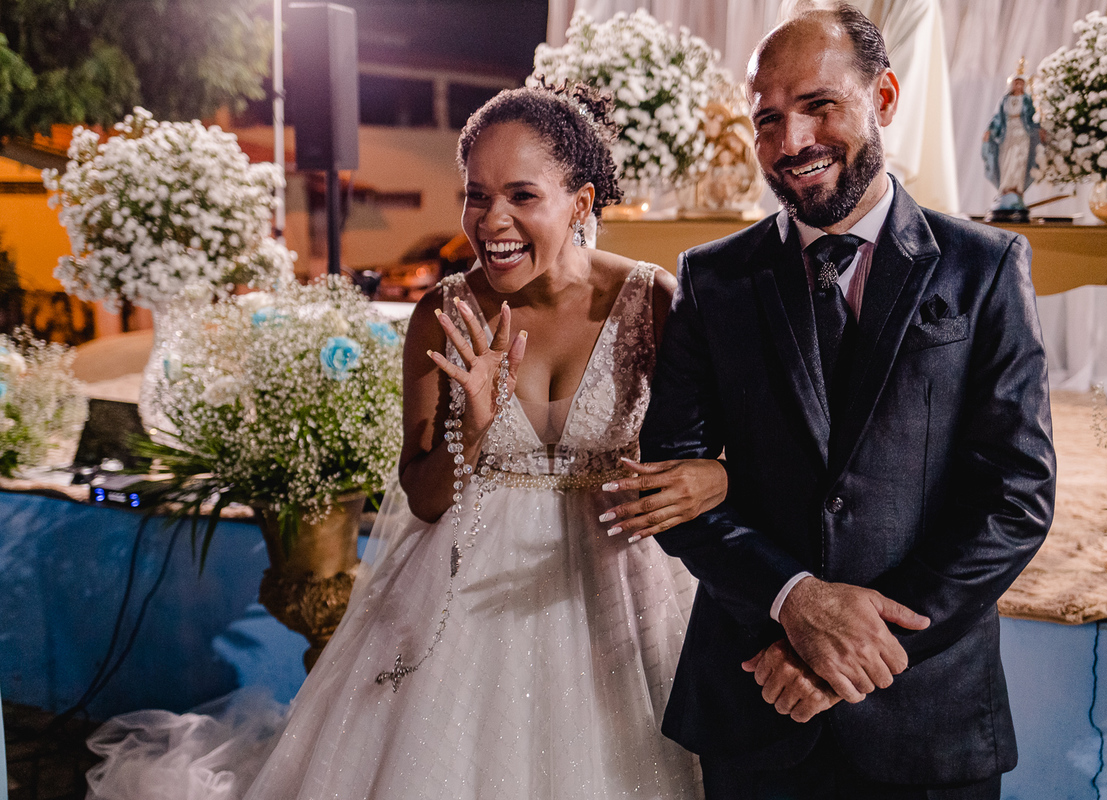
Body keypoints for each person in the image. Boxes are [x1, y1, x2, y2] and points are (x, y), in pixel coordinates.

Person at [84, 84, 727, 800]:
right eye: (476, 195)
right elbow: (422, 501)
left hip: (624, 594)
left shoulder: (653, 300)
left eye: (521, 195)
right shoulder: (442, 314)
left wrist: (711, 477)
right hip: (469, 595)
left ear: (580, 202)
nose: (493, 221)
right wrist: (474, 433)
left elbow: (713, 450)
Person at [640, 6, 1056, 800]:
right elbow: (672, 484)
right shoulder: (713, 278)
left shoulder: (987, 266)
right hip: (756, 704)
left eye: (819, 106)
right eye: (768, 119)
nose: (791, 143)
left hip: (927, 712)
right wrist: (793, 601)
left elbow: (1016, 496)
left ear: (886, 98)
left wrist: (852, 646)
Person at [982, 58, 1042, 222]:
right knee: (1006, 160)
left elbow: (1033, 118)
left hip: (1022, 134)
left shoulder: (1027, 100)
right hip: (1007, 134)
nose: (1018, 86)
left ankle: (1016, 189)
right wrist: (990, 130)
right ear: (1012, 84)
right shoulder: (1005, 100)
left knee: (1019, 161)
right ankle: (1006, 189)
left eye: (1021, 84)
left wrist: (1039, 129)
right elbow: (997, 118)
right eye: (1016, 83)